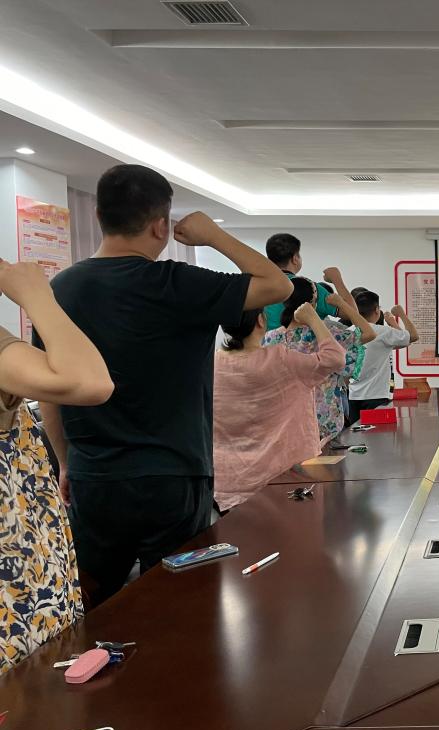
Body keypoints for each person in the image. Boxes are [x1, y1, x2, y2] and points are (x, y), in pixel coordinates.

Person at [36, 164, 292, 605]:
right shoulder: (178, 282)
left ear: (98, 215)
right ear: (160, 226)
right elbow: (278, 285)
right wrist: (214, 236)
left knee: (91, 606)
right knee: (181, 605)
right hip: (174, 476)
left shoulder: (59, 290)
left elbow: (49, 393)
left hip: (95, 476)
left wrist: (65, 463)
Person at [0, 260, 113, 672]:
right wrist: (36, 295)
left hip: (23, 557)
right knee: (34, 682)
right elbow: (92, 381)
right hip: (18, 565)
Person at [214, 302, 347, 510]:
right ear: (260, 320)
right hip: (282, 480)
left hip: (228, 483)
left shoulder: (213, 363)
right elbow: (335, 358)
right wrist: (313, 318)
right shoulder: (281, 359)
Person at [263, 277, 378, 440]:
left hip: (284, 421)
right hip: (323, 421)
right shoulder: (328, 336)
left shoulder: (269, 338)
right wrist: (342, 304)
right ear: (313, 304)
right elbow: (369, 333)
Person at [347, 291, 419, 424]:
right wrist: (401, 314)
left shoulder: (347, 332)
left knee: (355, 435)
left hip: (353, 396)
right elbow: (413, 336)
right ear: (376, 310)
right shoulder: (382, 332)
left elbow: (403, 342)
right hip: (377, 396)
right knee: (380, 434)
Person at [263, 233, 350, 331]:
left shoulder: (257, 286)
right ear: (295, 259)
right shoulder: (310, 289)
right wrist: (337, 279)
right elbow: (351, 314)